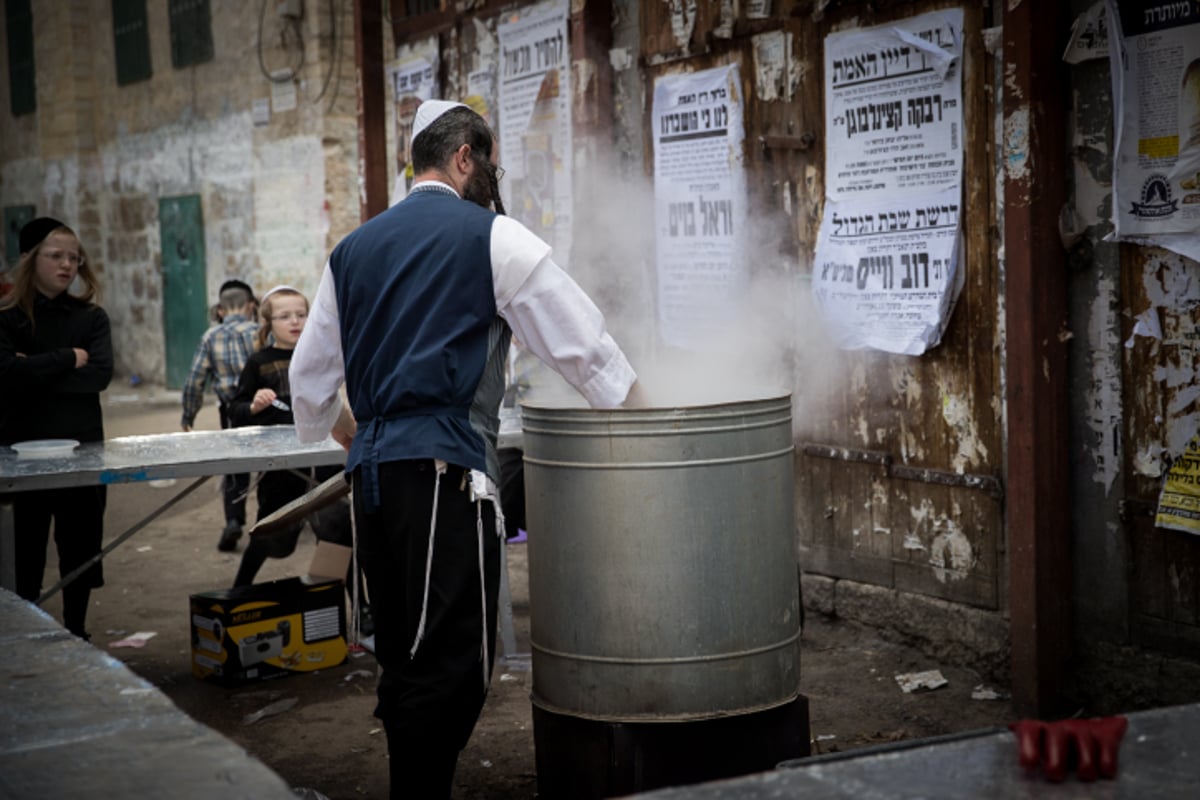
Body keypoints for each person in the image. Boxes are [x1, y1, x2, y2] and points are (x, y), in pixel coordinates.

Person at [289, 99, 643, 799]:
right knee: (454, 662)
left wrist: (354, 432)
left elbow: (309, 383)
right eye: (487, 163)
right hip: (446, 477)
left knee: (402, 652)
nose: (491, 179)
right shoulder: (493, 237)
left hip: (374, 481)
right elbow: (584, 350)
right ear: (462, 157)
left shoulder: (352, 249)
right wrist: (646, 418)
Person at [0, 217, 113, 640]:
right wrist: (67, 358)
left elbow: (99, 375)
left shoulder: (91, 317)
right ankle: (27, 632)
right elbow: (5, 374)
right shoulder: (8, 320)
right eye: (56, 256)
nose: (67, 265)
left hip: (81, 446)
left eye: (74, 258)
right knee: (24, 548)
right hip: (20, 451)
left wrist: (32, 367)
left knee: (80, 546)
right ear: (30, 260)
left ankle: (77, 630)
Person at [181, 278, 258, 552]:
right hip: (263, 407)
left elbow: (195, 380)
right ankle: (276, 519)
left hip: (231, 411)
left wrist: (188, 415)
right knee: (275, 464)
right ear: (251, 306)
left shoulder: (209, 337)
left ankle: (234, 521)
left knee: (235, 468)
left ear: (220, 310)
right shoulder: (260, 331)